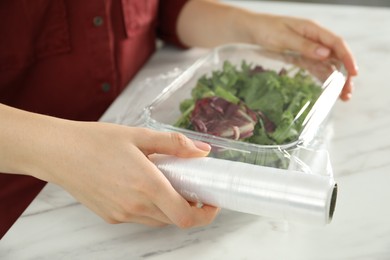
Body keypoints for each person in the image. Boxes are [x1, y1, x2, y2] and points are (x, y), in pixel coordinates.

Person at [0, 0, 358, 239]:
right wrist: (63, 151)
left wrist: (247, 28)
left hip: (140, 161)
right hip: (21, 209)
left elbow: (159, 10)